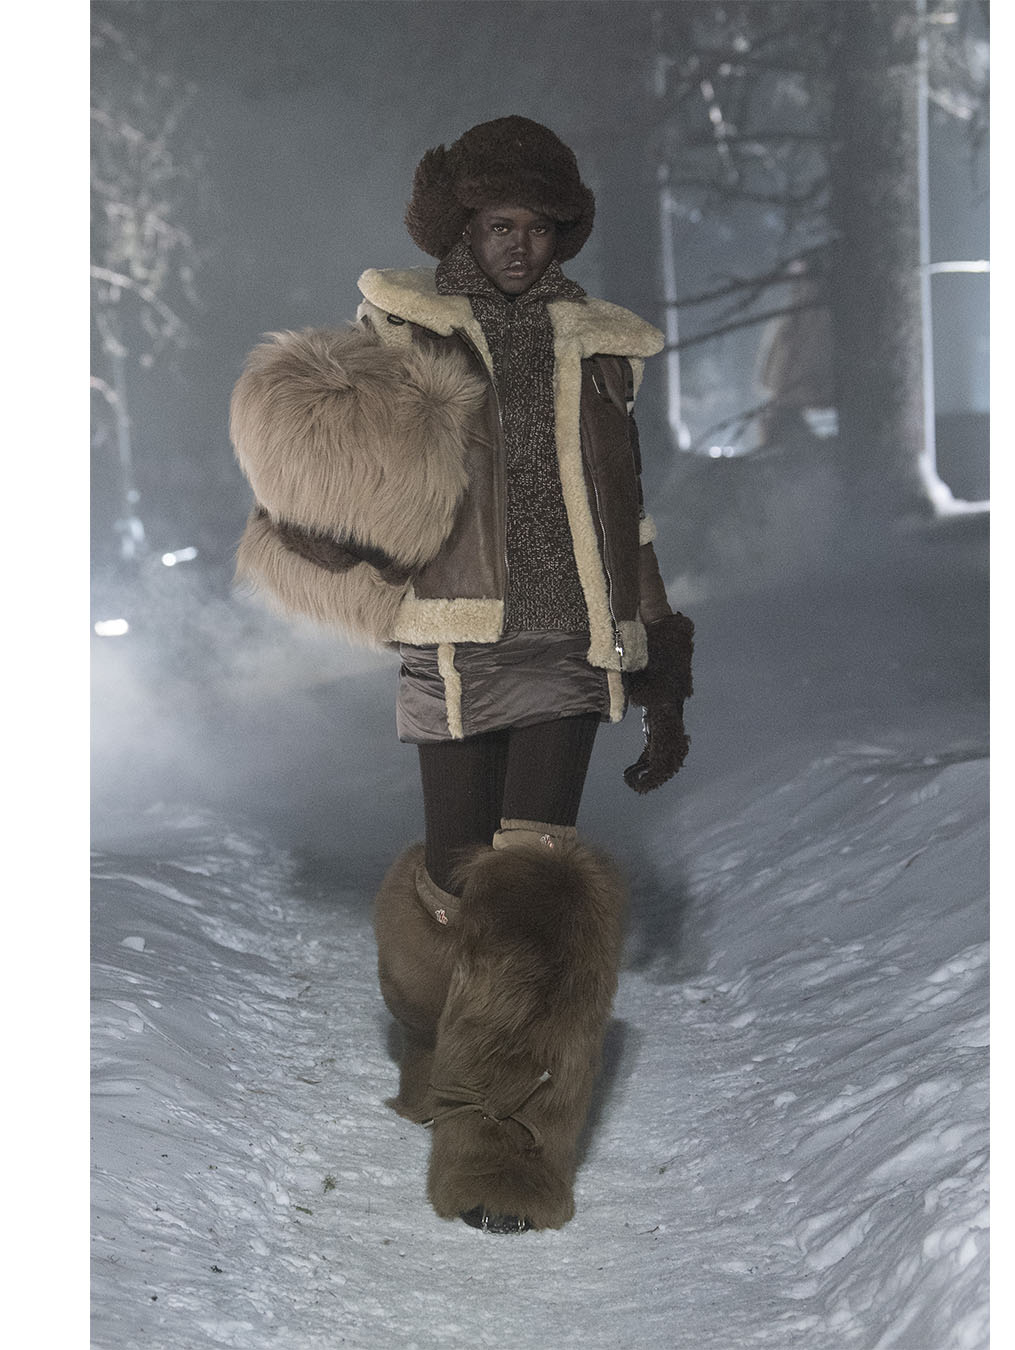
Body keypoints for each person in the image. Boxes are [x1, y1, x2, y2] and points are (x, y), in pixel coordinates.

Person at [229, 116, 693, 1233]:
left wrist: (661, 667)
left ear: (560, 231)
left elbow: (629, 514)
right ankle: (440, 1047)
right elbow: (334, 457)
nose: (518, 245)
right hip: (450, 635)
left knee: (532, 891)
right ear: (460, 229)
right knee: (454, 878)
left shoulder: (601, 346)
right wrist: (330, 528)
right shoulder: (404, 329)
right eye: (497, 225)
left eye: (536, 225)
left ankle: (503, 1150)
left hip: (572, 641)